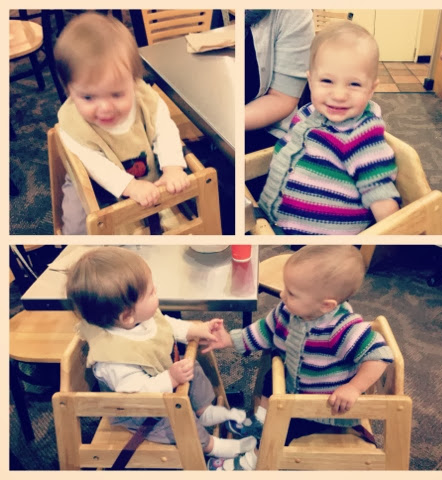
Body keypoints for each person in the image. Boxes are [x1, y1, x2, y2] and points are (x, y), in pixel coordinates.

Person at [205, 245, 394, 470]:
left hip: (322, 406)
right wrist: (229, 339)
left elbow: (379, 354)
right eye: (286, 288)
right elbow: (266, 330)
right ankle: (260, 424)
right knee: (269, 380)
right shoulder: (288, 310)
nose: (282, 295)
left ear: (326, 305)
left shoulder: (342, 329)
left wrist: (354, 388)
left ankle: (252, 461)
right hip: (292, 385)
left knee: (281, 429)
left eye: (292, 293)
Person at [65, 246, 256, 460]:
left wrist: (195, 330)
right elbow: (139, 395)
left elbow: (165, 325)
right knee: (176, 419)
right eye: (151, 292)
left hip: (163, 384)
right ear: (127, 316)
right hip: (143, 414)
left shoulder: (138, 318)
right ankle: (209, 446)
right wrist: (171, 378)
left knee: (191, 366)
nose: (156, 290)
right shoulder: (113, 359)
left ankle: (204, 411)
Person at [258, 20, 401, 235]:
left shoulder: (362, 135)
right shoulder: (306, 114)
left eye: (354, 84)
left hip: (325, 242)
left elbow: (380, 194)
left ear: (371, 90)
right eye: (327, 81)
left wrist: (394, 238)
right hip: (277, 223)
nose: (339, 95)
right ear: (311, 81)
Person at [54, 12, 190, 234]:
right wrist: (129, 186)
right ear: (69, 90)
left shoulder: (146, 100)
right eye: (88, 97)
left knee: (172, 204)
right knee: (78, 224)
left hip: (146, 172)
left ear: (134, 82)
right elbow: (95, 165)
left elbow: (165, 131)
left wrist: (172, 167)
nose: (105, 108)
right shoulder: (73, 123)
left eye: (117, 94)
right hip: (94, 182)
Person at [245, 10, 314, 153]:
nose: (339, 96)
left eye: (354, 84)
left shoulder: (293, 12)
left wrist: (228, 120)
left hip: (262, 131)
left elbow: (282, 98)